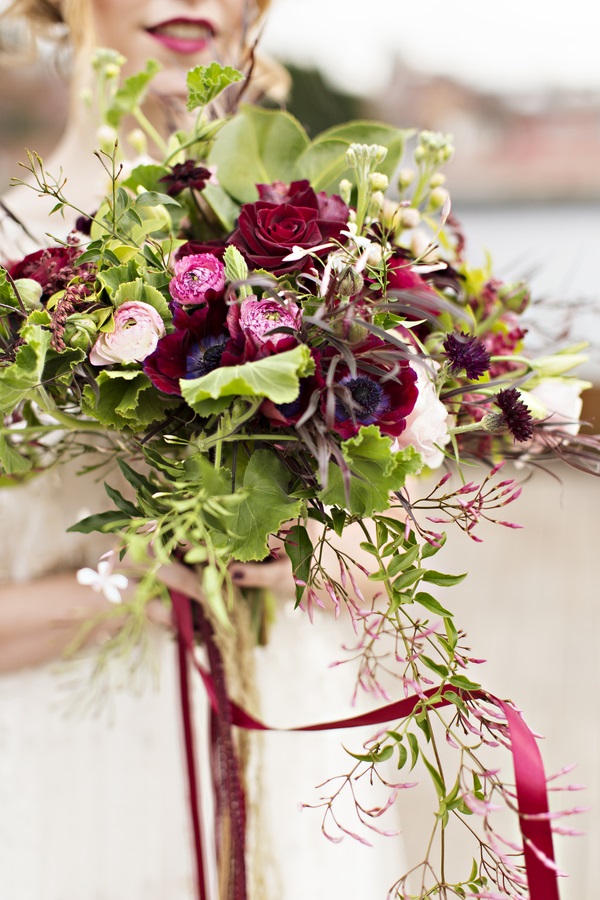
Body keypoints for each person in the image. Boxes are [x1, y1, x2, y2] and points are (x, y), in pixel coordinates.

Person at [0, 3, 407, 898]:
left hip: (299, 762)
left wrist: (297, 554)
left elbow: (390, 562)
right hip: (79, 770)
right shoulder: (7, 252)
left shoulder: (328, 241)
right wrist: (124, 586)